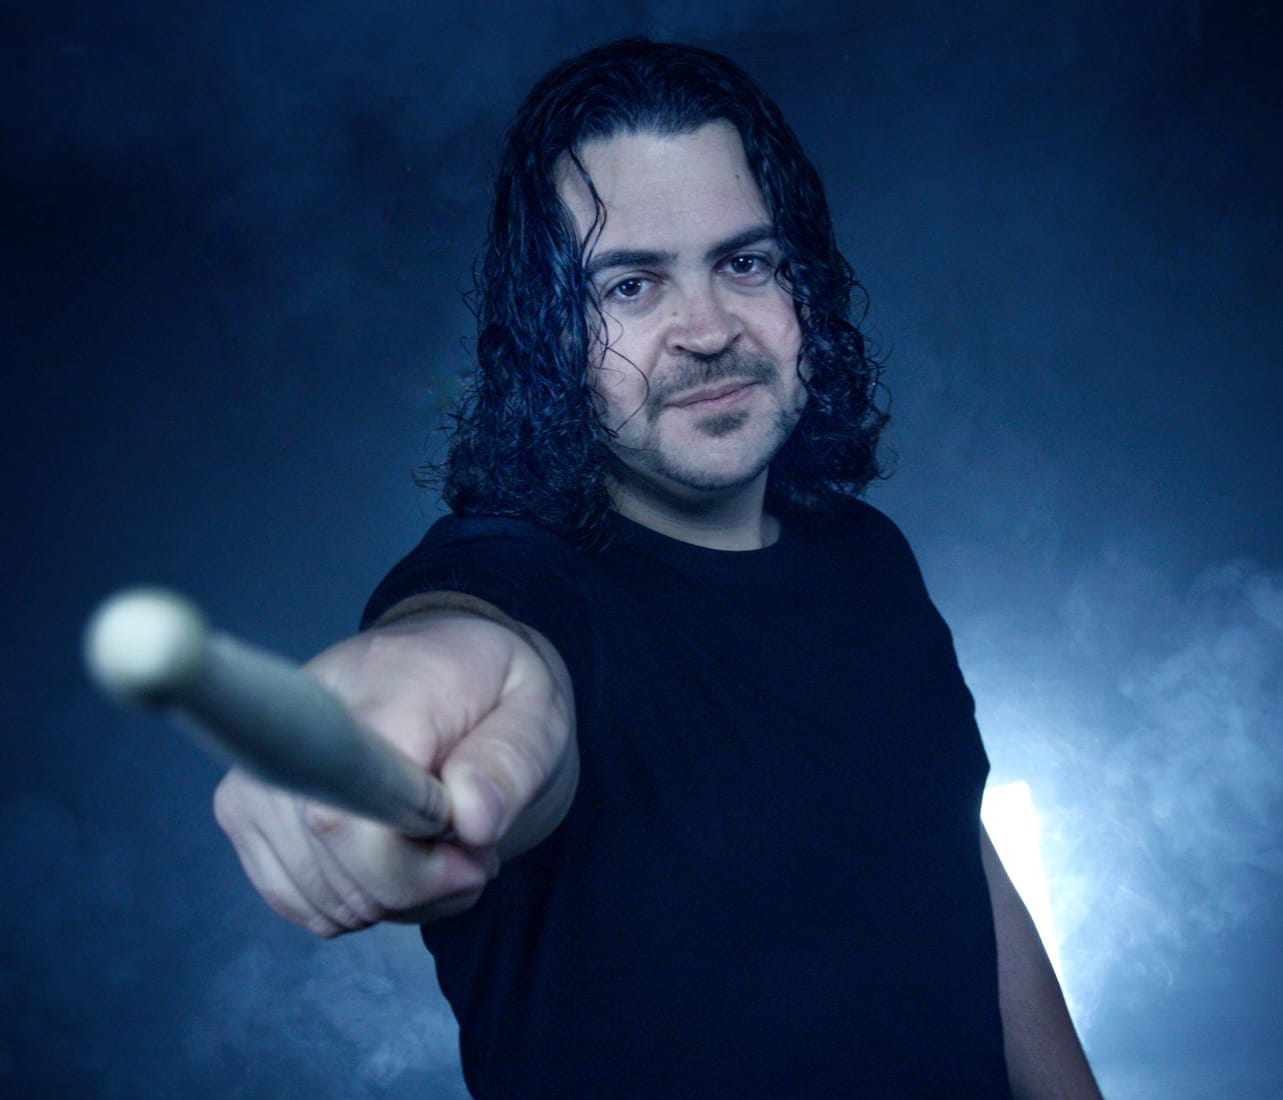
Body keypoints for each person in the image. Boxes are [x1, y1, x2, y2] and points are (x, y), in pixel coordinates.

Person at [213, 38, 1102, 1098]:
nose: (707, 329)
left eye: (744, 263)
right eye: (631, 285)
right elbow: (477, 653)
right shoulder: (517, 580)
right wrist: (400, 713)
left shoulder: (868, 556)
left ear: (802, 282)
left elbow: (953, 865)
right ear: (551, 331)